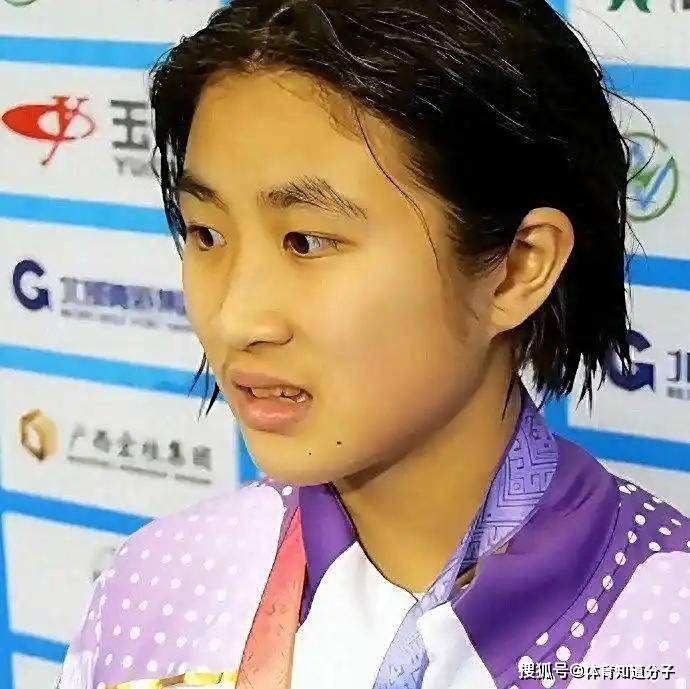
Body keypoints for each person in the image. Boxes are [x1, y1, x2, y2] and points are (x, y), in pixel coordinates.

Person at [56, 1, 690, 687]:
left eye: (306, 241)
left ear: (517, 267)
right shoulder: (155, 589)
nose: (235, 318)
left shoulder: (666, 632)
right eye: (206, 234)